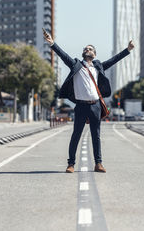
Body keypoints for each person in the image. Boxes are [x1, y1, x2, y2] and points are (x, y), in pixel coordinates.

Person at [43, 29, 134, 173]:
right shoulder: (76, 65)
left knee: (96, 135)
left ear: (94, 54)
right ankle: (71, 164)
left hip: (95, 106)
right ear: (83, 53)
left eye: (90, 49)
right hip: (81, 106)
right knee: (76, 135)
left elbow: (114, 60)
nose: (87, 49)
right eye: (85, 48)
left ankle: (98, 164)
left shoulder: (99, 66)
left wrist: (127, 50)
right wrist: (52, 43)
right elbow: (63, 55)